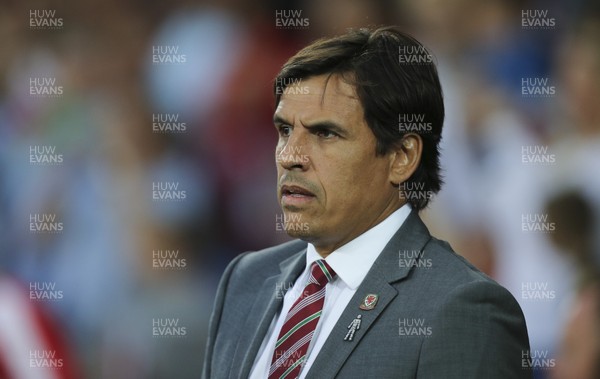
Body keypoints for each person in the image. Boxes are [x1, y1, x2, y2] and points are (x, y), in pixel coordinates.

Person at [202, 26, 531, 379]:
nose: (290, 156)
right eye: (285, 130)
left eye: (325, 133)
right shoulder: (245, 279)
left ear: (402, 156)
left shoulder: (463, 309)